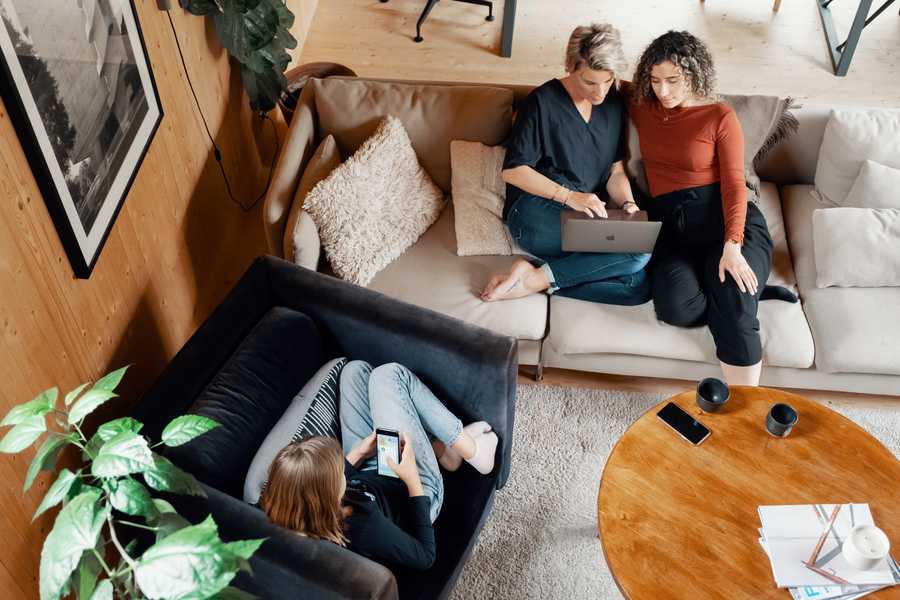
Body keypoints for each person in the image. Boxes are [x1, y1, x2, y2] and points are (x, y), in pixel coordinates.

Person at [627, 30, 795, 387]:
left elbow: (734, 184)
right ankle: (742, 295)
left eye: (673, 81)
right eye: (655, 80)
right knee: (675, 307)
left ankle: (746, 407)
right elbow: (599, 76)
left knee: (734, 300)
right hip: (675, 234)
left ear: (695, 74)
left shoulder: (719, 116)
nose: (663, 91)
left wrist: (732, 246)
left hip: (728, 224)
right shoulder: (642, 104)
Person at [260, 361, 498, 570]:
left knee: (355, 372)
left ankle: (442, 452)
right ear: (327, 494)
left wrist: (360, 452)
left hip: (374, 474)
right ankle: (473, 453)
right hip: (415, 492)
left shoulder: (304, 506)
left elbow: (330, 482)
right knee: (390, 375)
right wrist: (412, 479)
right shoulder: (364, 527)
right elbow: (425, 556)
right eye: (338, 470)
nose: (343, 466)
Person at [481, 23, 651, 305]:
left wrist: (627, 204)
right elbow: (513, 171)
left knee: (636, 286)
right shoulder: (541, 103)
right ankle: (536, 279)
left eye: (608, 81)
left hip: (583, 216)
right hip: (535, 213)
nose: (600, 92)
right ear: (569, 66)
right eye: (590, 82)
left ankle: (534, 277)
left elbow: (616, 171)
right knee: (636, 251)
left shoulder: (613, 102)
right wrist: (569, 196)